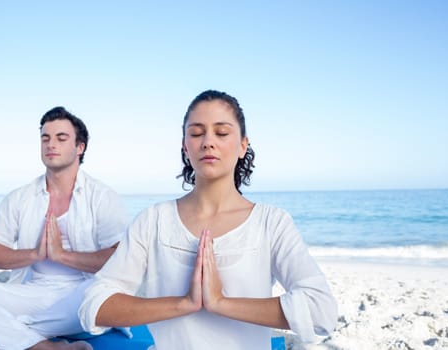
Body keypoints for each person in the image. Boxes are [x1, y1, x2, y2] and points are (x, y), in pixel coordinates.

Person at [78, 90, 338, 349]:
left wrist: (220, 303)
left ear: (243, 145)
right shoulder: (153, 220)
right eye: (196, 133)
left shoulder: (272, 223)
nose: (208, 142)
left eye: (222, 133)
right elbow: (96, 304)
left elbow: (321, 311)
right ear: (185, 145)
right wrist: (184, 303)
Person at [0, 107, 129, 350]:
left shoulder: (103, 197)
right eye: (45, 138)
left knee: (101, 296)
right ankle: (43, 346)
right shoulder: (21, 197)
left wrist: (62, 256)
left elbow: (121, 260)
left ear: (80, 147)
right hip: (31, 293)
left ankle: (0, 336)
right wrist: (35, 254)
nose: (51, 144)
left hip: (82, 296)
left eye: (61, 138)